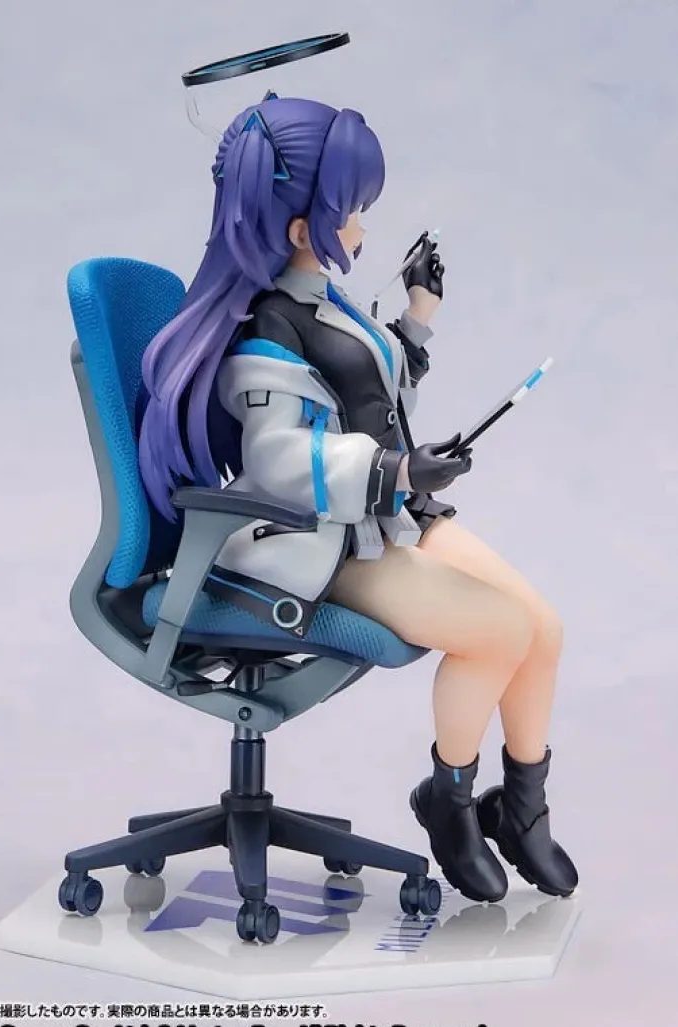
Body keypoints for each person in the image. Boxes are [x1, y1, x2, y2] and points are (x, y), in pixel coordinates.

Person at [138, 96, 578, 904]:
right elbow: (278, 459)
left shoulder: (324, 301)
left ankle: (522, 810)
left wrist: (416, 318)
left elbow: (365, 391)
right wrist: (398, 471)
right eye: (352, 209)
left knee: (542, 628)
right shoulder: (268, 327)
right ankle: (449, 803)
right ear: (302, 228)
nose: (363, 225)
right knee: (498, 632)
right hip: (325, 538)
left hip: (384, 517)